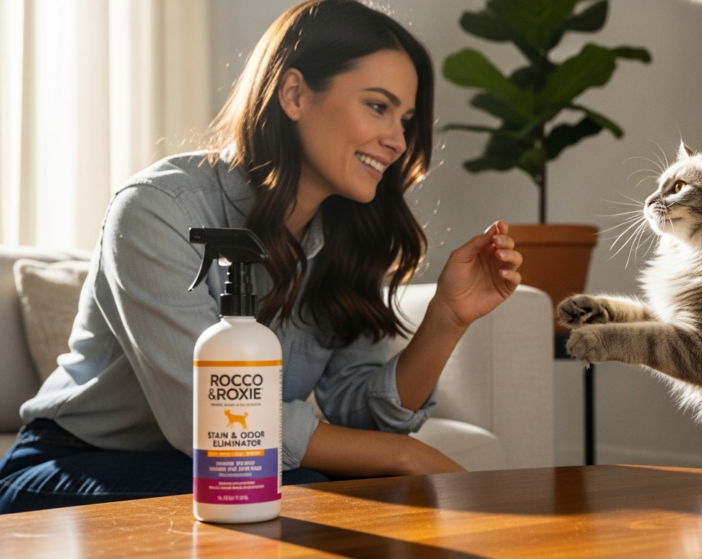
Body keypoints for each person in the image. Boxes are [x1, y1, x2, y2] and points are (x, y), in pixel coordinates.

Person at [0, 0, 522, 514]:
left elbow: (363, 421)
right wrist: (407, 455)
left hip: (235, 466)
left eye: (406, 120)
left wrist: (447, 319)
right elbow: (210, 420)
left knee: (325, 492)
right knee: (307, 494)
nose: (397, 141)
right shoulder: (157, 211)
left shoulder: (349, 234)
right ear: (294, 94)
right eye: (378, 107)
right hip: (70, 467)